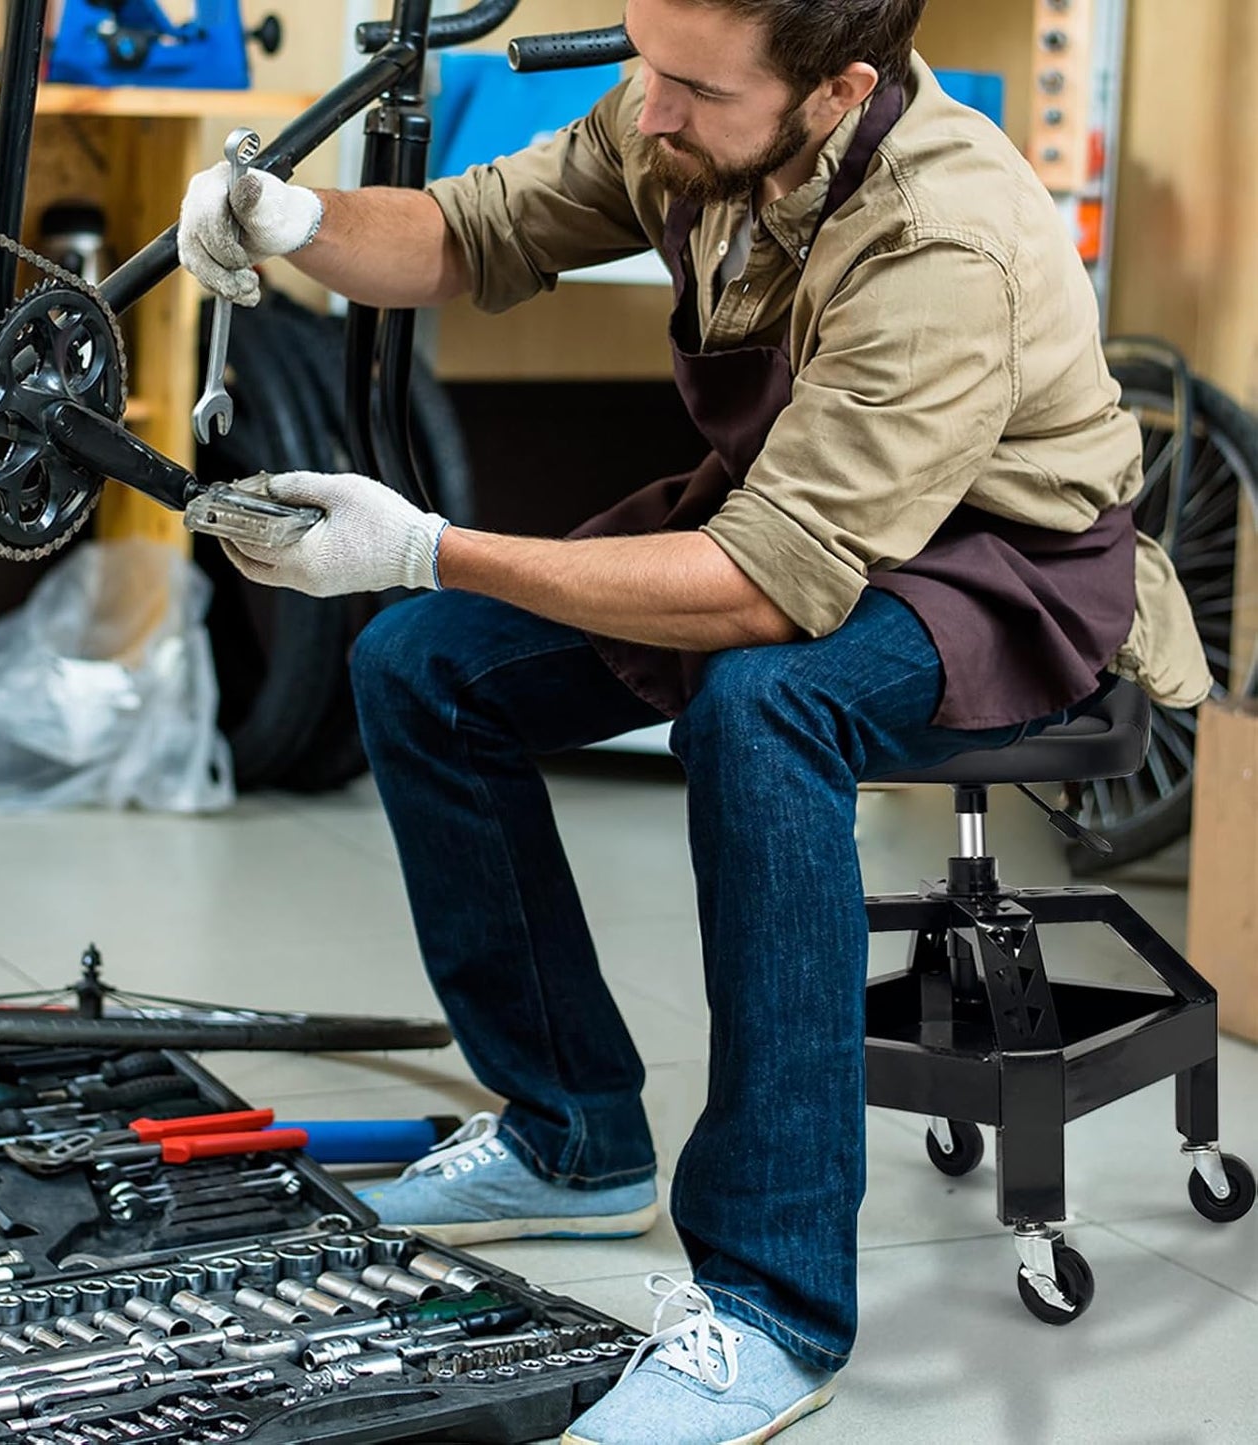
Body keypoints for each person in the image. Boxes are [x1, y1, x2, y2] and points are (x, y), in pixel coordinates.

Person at [177, 0, 1209, 1439]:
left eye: (692, 89)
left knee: (758, 704)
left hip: (992, 563)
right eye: (645, 68)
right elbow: (471, 232)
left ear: (838, 88)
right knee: (421, 665)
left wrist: (428, 544)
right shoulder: (685, 108)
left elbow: (766, 587)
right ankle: (571, 1139)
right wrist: (288, 218)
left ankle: (776, 1304)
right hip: (793, 520)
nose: (647, 112)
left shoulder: (941, 239)